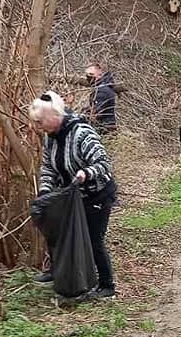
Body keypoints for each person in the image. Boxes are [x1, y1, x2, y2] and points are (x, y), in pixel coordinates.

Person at [29, 91, 118, 300]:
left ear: (54, 116)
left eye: (40, 122)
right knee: (59, 232)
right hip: (71, 197)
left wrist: (86, 173)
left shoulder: (82, 133)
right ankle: (56, 271)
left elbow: (103, 164)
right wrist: (45, 192)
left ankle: (107, 286)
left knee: (93, 239)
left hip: (97, 195)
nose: (38, 127)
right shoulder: (51, 137)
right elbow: (48, 167)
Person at [84, 62, 118, 134]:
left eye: (91, 74)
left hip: (104, 130)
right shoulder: (102, 88)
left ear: (99, 75)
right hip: (104, 128)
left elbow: (96, 113)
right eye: (87, 75)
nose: (88, 77)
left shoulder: (102, 90)